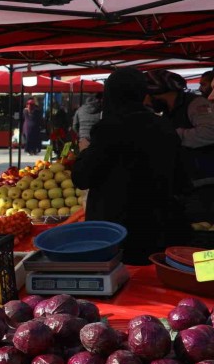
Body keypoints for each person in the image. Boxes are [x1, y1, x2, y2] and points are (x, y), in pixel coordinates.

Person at [72, 68, 189, 264]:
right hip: (158, 230)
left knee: (127, 287)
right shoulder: (163, 126)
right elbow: (181, 181)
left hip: (117, 235)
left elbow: (82, 177)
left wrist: (85, 151)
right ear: (142, 93)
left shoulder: (109, 128)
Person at [145, 69, 214, 222]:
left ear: (159, 93)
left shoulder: (196, 104)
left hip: (205, 184)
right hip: (186, 184)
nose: (147, 102)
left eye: (149, 97)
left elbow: (210, 133)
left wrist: (170, 135)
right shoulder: (169, 111)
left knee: (203, 227)